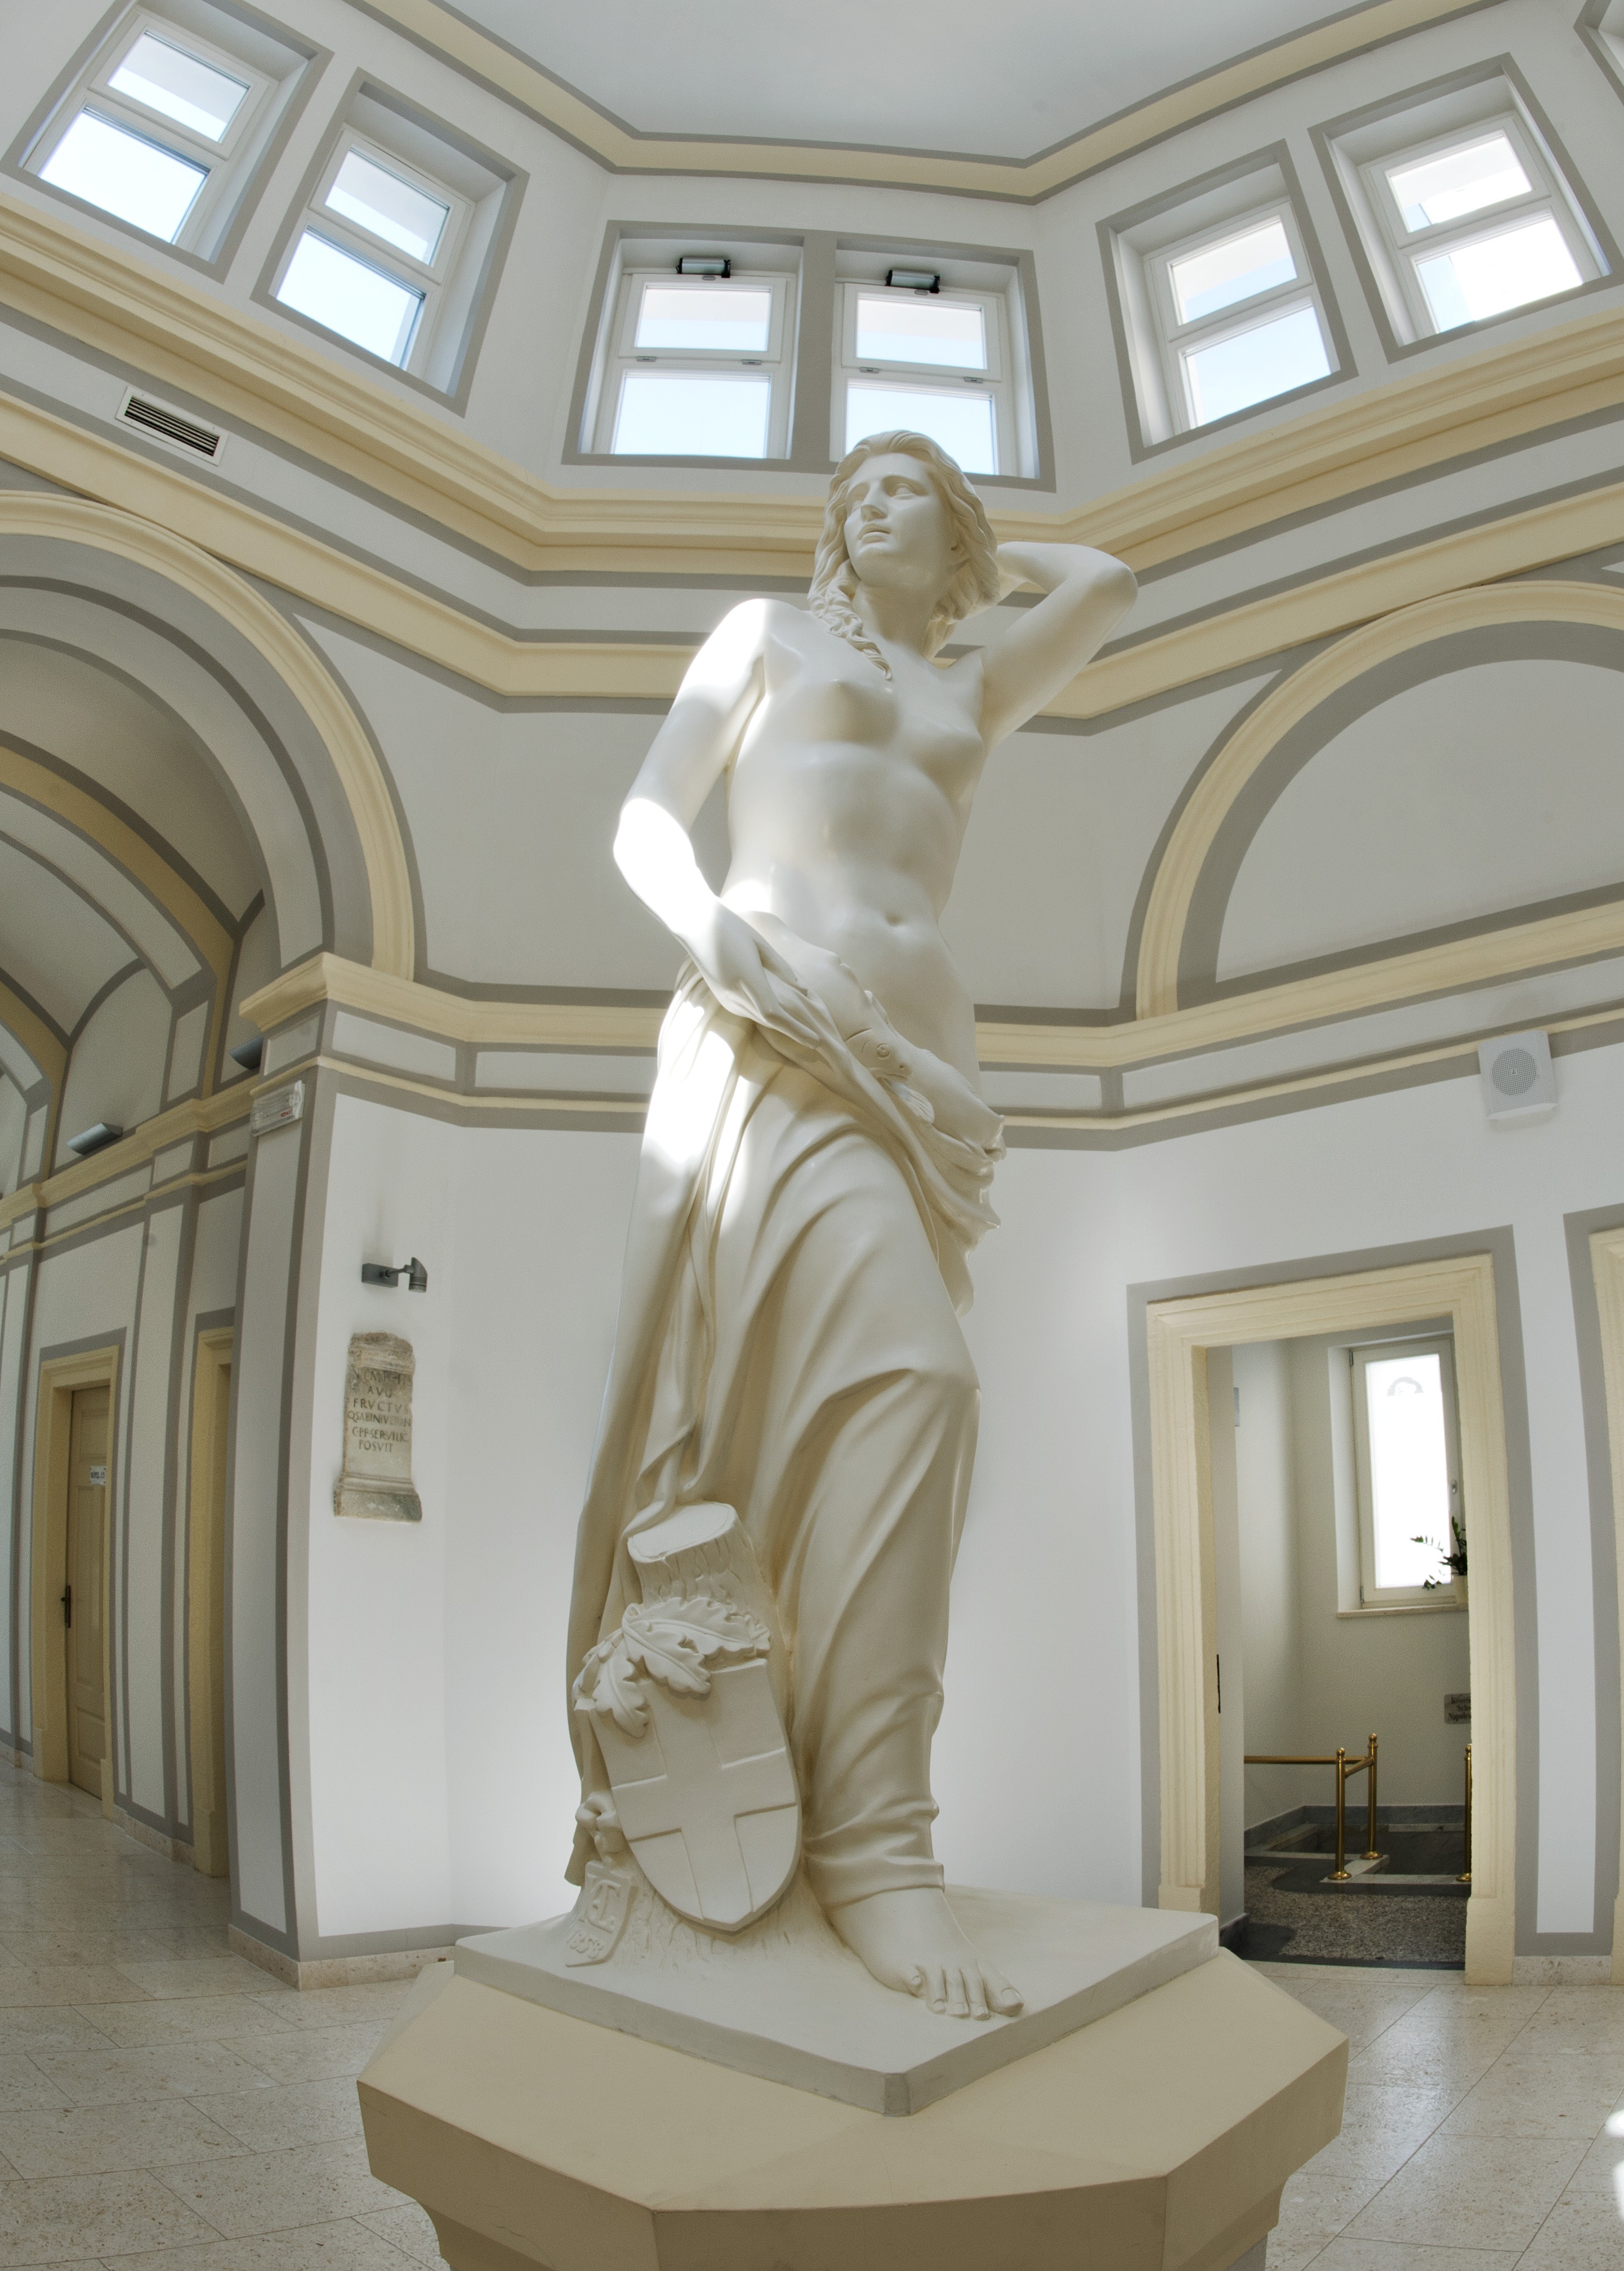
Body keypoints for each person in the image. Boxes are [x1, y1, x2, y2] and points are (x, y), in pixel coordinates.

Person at [563, 433, 1136, 2021]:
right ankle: (878, 1848)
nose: (865, 505)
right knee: (915, 1385)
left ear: (954, 532)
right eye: (854, 495)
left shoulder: (973, 686)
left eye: (904, 492)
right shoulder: (763, 635)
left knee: (877, 1420)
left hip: (917, 1076)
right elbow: (644, 821)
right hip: (775, 1029)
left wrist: (970, 573)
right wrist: (719, 934)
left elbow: (1107, 582)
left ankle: (850, 1816)